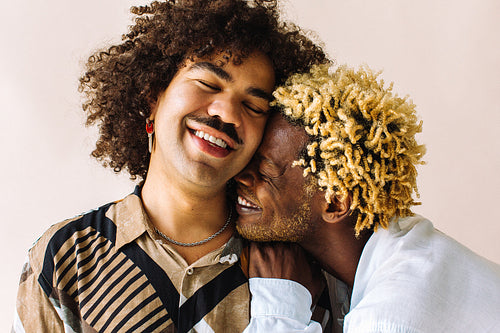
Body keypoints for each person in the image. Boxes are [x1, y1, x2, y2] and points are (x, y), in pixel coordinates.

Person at [12, 0, 328, 332]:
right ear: (153, 96)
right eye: (208, 84)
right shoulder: (66, 256)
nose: (228, 114)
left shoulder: (292, 272)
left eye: (253, 106)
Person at [235, 63, 500, 332]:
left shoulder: (390, 317)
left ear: (335, 202)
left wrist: (280, 309)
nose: (241, 175)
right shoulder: (408, 248)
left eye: (265, 171)